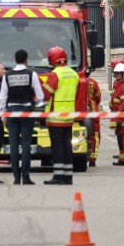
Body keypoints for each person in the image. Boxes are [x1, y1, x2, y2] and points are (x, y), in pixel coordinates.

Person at [0, 49, 43, 185]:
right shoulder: (32, 74)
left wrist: (3, 115)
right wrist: (32, 103)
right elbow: (40, 96)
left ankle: (16, 178)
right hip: (26, 111)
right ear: (27, 59)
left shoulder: (8, 75)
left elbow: (3, 97)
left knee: (13, 145)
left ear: (15, 59)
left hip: (11, 111)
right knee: (26, 144)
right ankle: (26, 177)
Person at [41, 46, 79, 185]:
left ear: (52, 60)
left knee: (57, 147)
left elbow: (45, 95)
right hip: (69, 116)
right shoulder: (74, 74)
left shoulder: (54, 74)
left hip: (55, 116)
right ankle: (68, 176)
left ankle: (58, 176)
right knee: (67, 146)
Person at [109, 63, 124, 166]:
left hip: (123, 118)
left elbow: (123, 105)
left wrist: (119, 119)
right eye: (115, 74)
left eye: (118, 74)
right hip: (118, 117)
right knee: (120, 138)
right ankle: (123, 158)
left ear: (123, 74)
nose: (116, 75)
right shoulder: (117, 85)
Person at [86, 72, 102, 167]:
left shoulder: (75, 81)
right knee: (94, 136)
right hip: (93, 113)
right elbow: (98, 97)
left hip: (78, 114)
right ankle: (92, 159)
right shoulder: (93, 83)